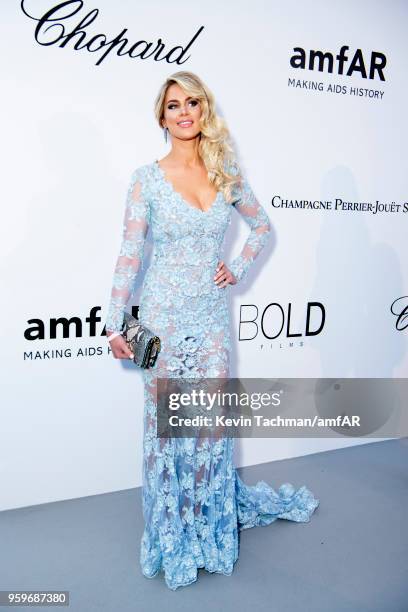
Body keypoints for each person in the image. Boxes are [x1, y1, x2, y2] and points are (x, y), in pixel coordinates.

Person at [104, 71, 319, 591]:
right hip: (163, 323)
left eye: (191, 102)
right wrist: (116, 324)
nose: (183, 112)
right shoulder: (146, 178)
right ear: (162, 117)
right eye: (173, 105)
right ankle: (174, 534)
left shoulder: (225, 172)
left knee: (210, 430)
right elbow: (130, 256)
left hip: (211, 322)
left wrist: (238, 267)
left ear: (203, 111)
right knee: (169, 429)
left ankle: (208, 531)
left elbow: (262, 227)